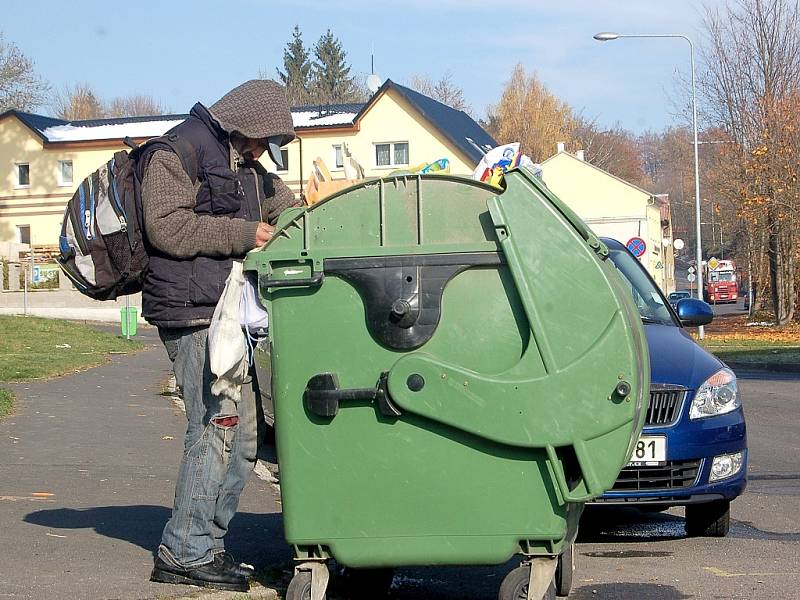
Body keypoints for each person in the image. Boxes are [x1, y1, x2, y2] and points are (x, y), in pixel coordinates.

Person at [140, 80, 297, 592]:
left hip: (225, 315)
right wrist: (241, 235)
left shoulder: (244, 165)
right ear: (244, 125)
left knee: (244, 436)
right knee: (214, 427)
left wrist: (319, 208)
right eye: (260, 143)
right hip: (189, 314)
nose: (261, 155)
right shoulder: (178, 150)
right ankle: (183, 551)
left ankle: (207, 546)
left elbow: (285, 205)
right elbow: (166, 226)